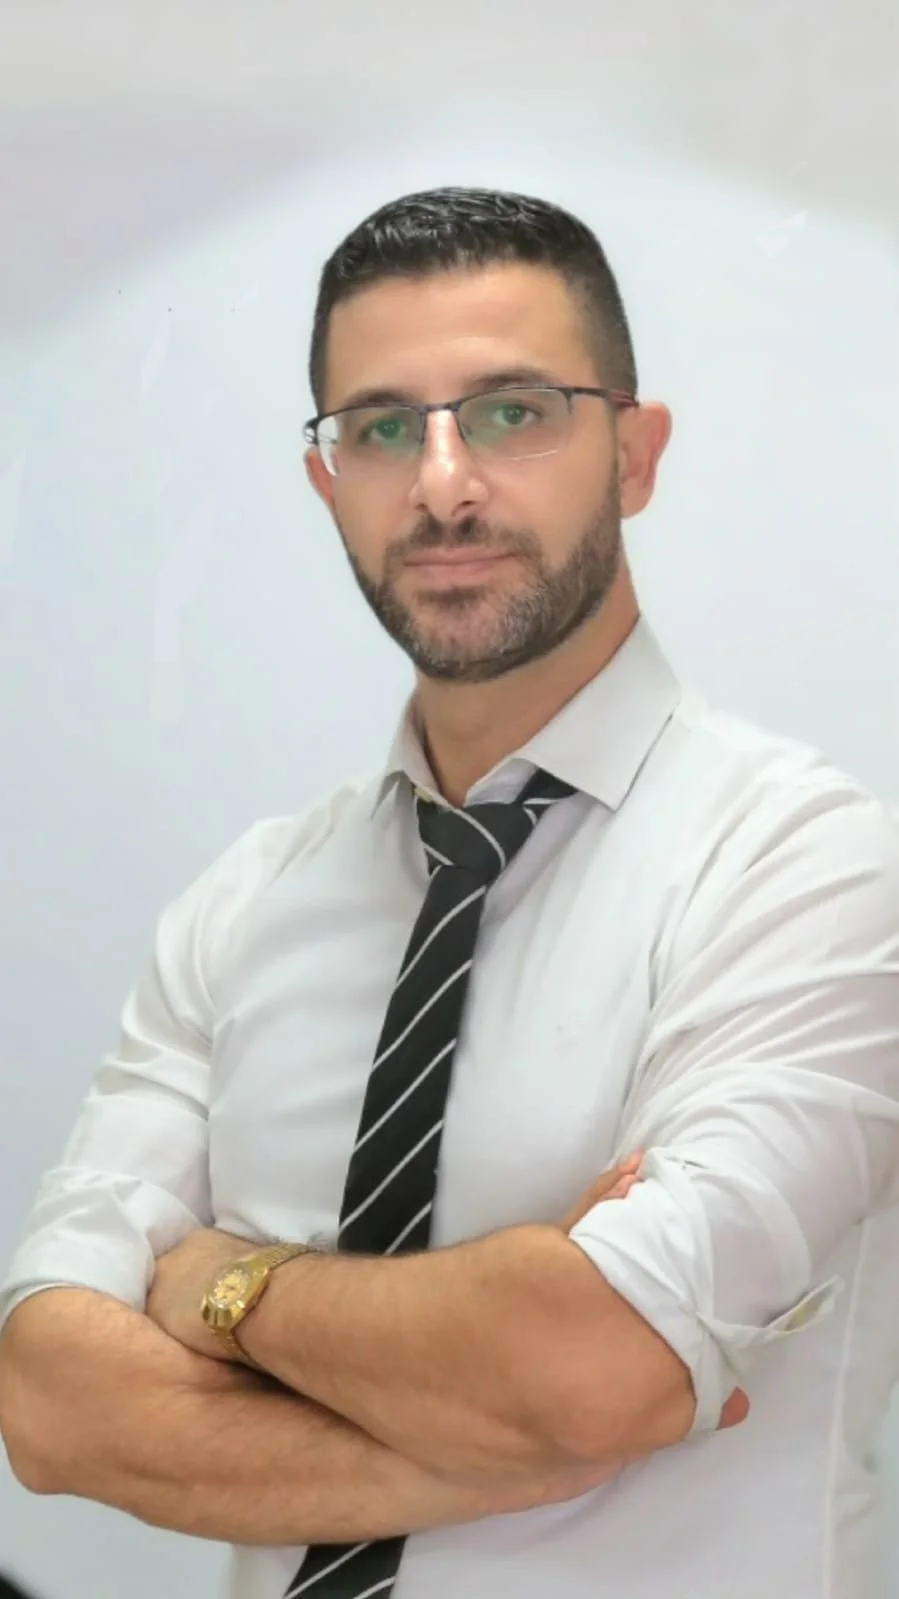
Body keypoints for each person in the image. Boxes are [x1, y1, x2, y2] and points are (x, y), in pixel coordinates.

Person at [0, 186, 897, 1599]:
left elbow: (593, 1361)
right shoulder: (241, 910)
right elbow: (50, 1403)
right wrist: (516, 1431)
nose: (441, 484)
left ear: (635, 453)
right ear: (327, 481)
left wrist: (219, 1283)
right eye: (378, 427)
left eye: (510, 411)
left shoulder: (805, 868)